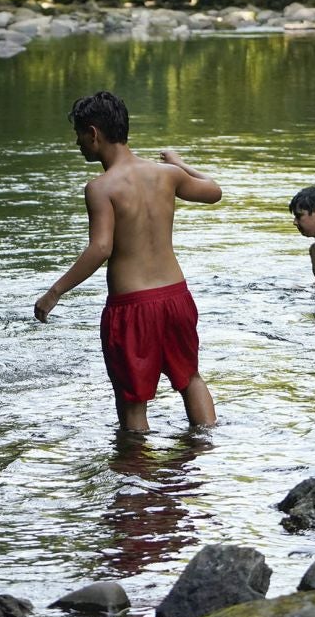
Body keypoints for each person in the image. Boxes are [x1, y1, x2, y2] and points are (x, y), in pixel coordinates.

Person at [33, 91, 219, 432]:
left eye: (78, 136)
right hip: (176, 297)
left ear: (93, 133)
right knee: (190, 377)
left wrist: (55, 292)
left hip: (133, 305)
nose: (77, 144)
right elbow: (213, 190)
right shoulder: (167, 175)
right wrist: (177, 162)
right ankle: (207, 449)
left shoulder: (100, 187)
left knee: (133, 398)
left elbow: (100, 248)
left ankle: (136, 475)